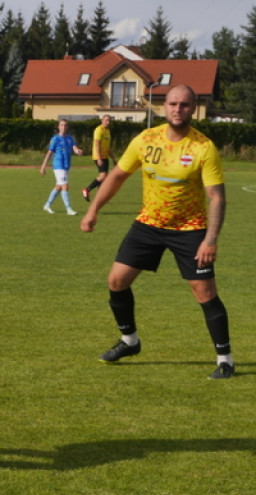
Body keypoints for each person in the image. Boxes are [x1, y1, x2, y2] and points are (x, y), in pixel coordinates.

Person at [81, 84, 233, 380]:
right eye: (173, 104)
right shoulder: (146, 139)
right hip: (149, 224)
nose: (178, 109)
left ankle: (225, 359)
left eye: (185, 105)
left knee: (204, 293)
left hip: (190, 229)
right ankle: (130, 342)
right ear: (165, 106)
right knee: (116, 281)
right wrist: (93, 210)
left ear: (193, 108)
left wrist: (210, 240)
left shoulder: (203, 147)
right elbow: (118, 175)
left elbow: (217, 197)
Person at [40, 118, 84, 214]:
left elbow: (74, 148)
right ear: (58, 127)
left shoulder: (70, 138)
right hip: (58, 165)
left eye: (65, 125)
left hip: (66, 165)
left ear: (67, 127)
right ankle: (69, 209)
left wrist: (78, 151)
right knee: (65, 186)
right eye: (62, 125)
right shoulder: (55, 139)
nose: (63, 127)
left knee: (59, 187)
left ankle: (47, 205)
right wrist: (43, 166)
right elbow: (49, 153)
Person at [82, 114, 113, 202]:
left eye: (109, 120)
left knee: (104, 177)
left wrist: (114, 159)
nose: (108, 122)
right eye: (106, 120)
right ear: (102, 120)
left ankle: (98, 198)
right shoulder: (98, 130)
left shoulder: (107, 131)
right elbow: (97, 144)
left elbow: (108, 147)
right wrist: (99, 158)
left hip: (105, 156)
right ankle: (87, 189)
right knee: (103, 176)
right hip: (98, 156)